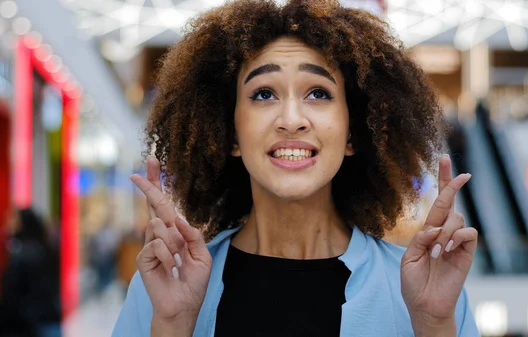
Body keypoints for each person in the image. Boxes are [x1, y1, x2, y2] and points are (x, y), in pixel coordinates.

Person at [112, 0, 479, 336]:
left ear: (353, 132)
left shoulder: (424, 291)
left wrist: (433, 325)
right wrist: (173, 325)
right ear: (231, 133)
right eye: (264, 94)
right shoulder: (163, 289)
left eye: (318, 93)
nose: (291, 119)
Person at [0, 208, 61, 337]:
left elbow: (11, 293)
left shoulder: (23, 253)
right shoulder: (43, 248)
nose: (9, 224)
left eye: (13, 220)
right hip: (45, 318)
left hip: (27, 323)